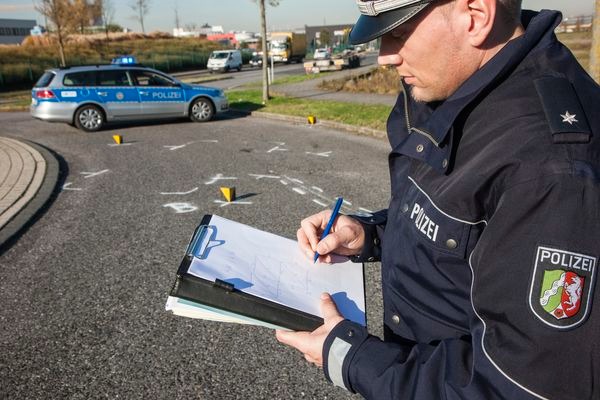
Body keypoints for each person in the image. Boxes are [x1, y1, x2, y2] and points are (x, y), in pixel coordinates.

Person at [276, 0, 600, 398]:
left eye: (397, 33)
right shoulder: (462, 85)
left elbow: (516, 386)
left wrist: (352, 359)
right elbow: (464, 222)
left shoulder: (551, 169)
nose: (384, 57)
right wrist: (370, 233)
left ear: (476, 16)